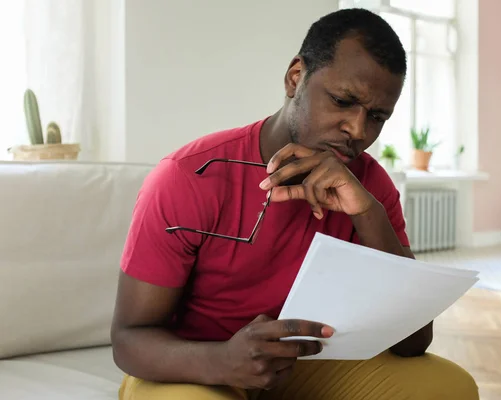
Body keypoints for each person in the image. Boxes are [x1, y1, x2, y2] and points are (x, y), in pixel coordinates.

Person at [111, 7, 479, 400]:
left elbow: (413, 343)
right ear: (295, 77)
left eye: (376, 117)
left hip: (304, 367)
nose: (357, 130)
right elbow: (128, 339)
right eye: (342, 101)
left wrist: (367, 213)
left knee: (450, 388)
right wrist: (223, 361)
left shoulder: (371, 187)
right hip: (194, 368)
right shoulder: (189, 178)